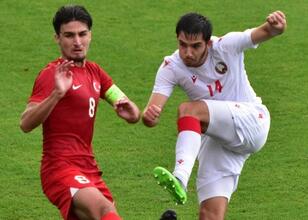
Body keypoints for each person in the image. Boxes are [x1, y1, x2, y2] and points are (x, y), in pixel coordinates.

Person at [142, 11, 286, 219]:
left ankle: (180, 179)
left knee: (189, 110)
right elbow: (151, 112)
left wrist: (276, 26)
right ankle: (181, 183)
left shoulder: (226, 45)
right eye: (183, 45)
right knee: (209, 214)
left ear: (208, 43)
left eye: (195, 46)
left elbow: (265, 31)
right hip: (220, 138)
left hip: (252, 120)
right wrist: (150, 116)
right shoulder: (171, 66)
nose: (187, 53)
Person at [20, 5, 140, 220]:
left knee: (107, 212)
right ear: (57, 38)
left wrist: (130, 110)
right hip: (60, 167)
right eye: (69, 35)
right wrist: (57, 93)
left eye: (82, 34)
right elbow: (25, 123)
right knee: (105, 210)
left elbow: (128, 108)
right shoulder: (52, 74)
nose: (77, 42)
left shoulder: (95, 72)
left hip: (89, 168)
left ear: (90, 35)